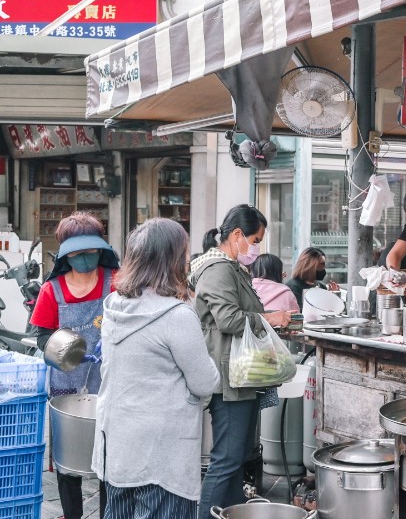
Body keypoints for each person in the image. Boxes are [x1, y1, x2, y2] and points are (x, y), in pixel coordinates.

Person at [92, 218, 219, 518]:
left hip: (118, 445)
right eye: (185, 254)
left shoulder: (114, 305)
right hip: (161, 455)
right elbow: (204, 382)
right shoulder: (177, 316)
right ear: (173, 260)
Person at [189, 205, 291, 519]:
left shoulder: (233, 267)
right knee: (226, 460)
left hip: (240, 376)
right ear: (237, 235)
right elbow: (230, 319)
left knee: (235, 462)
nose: (256, 248)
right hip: (228, 377)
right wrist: (270, 318)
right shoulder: (218, 269)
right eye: (255, 240)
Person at [31, 212, 119, 519]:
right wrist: (64, 350)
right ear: (66, 253)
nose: (85, 258)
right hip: (65, 385)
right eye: (78, 253)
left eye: (91, 251)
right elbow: (41, 337)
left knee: (109, 456)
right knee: (68, 461)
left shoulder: (115, 283)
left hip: (109, 382)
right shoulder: (52, 290)